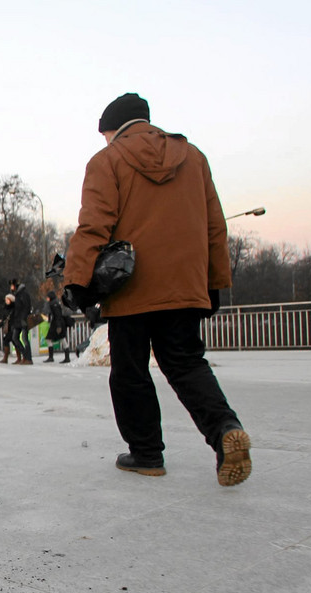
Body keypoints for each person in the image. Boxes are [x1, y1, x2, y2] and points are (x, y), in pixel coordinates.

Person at [63, 92, 250, 486]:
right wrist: (215, 282)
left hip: (132, 288)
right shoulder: (193, 157)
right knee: (185, 363)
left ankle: (147, 454)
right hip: (185, 282)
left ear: (111, 130)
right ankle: (225, 429)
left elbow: (93, 225)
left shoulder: (107, 160)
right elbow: (215, 225)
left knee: (130, 371)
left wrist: (77, 282)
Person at [9, 279, 34, 365]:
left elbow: (26, 307)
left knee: (24, 339)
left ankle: (28, 358)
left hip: (22, 320)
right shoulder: (18, 294)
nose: (11, 287)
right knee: (15, 338)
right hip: (18, 320)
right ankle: (25, 356)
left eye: (12, 285)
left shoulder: (23, 294)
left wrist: (23, 318)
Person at [43, 291, 72, 364]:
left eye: (48, 297)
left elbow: (58, 315)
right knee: (62, 339)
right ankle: (66, 357)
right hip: (57, 323)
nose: (47, 299)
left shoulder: (54, 304)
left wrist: (59, 326)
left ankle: (51, 357)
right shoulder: (54, 303)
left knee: (50, 338)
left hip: (57, 324)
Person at [0, 294, 16, 364]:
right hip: (8, 328)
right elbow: (3, 320)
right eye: (6, 300)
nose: (6, 301)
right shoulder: (6, 308)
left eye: (7, 300)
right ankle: (8, 358)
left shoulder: (14, 308)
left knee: (9, 341)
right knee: (13, 341)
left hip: (13, 327)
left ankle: (6, 358)